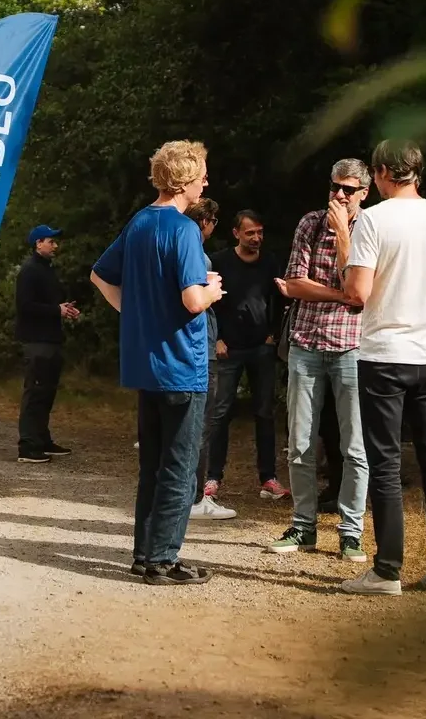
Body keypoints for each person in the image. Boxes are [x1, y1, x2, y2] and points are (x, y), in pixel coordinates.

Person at [338, 139, 426, 596]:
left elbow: (357, 292)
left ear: (381, 173)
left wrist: (346, 246)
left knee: (386, 464)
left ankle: (387, 570)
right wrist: (421, 293)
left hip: (384, 355)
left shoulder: (374, 219)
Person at [91, 140, 223, 585]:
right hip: (182, 363)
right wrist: (211, 290)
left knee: (152, 465)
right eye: (201, 174)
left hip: (146, 364)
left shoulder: (140, 221)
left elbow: (99, 275)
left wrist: (134, 312)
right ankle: (163, 560)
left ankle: (144, 555)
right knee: (180, 468)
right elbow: (192, 300)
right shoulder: (183, 229)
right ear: (184, 181)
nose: (206, 181)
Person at [266, 159, 372, 563]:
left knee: (355, 446)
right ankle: (303, 526)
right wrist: (343, 295)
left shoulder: (371, 228)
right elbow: (295, 284)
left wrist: (344, 234)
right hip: (306, 344)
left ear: (364, 193)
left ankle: (351, 532)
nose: (339, 195)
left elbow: (362, 289)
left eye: (349, 189)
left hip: (352, 347)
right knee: (300, 443)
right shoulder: (309, 223)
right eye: (335, 187)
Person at [205, 210, 287, 502]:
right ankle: (213, 477)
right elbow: (209, 302)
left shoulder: (270, 262)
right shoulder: (219, 261)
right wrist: (216, 338)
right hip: (229, 348)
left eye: (259, 232)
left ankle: (268, 478)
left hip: (261, 347)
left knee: (264, 413)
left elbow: (280, 299)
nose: (256, 238)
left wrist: (273, 334)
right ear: (236, 233)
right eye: (250, 232)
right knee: (220, 413)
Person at [184, 199, 237, 522]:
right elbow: (196, 301)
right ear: (206, 222)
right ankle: (193, 499)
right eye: (214, 221)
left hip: (189, 348)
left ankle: (183, 495)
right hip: (200, 348)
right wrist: (212, 290)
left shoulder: (177, 249)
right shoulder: (199, 257)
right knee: (200, 427)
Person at [15, 224, 80, 463]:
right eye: (50, 241)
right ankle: (27, 446)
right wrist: (55, 310)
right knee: (35, 393)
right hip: (36, 341)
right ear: (38, 243)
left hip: (51, 339)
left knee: (47, 393)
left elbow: (51, 304)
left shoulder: (48, 270)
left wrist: (65, 309)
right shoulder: (29, 270)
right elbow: (25, 306)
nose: (55, 246)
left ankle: (42, 439)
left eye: (55, 241)